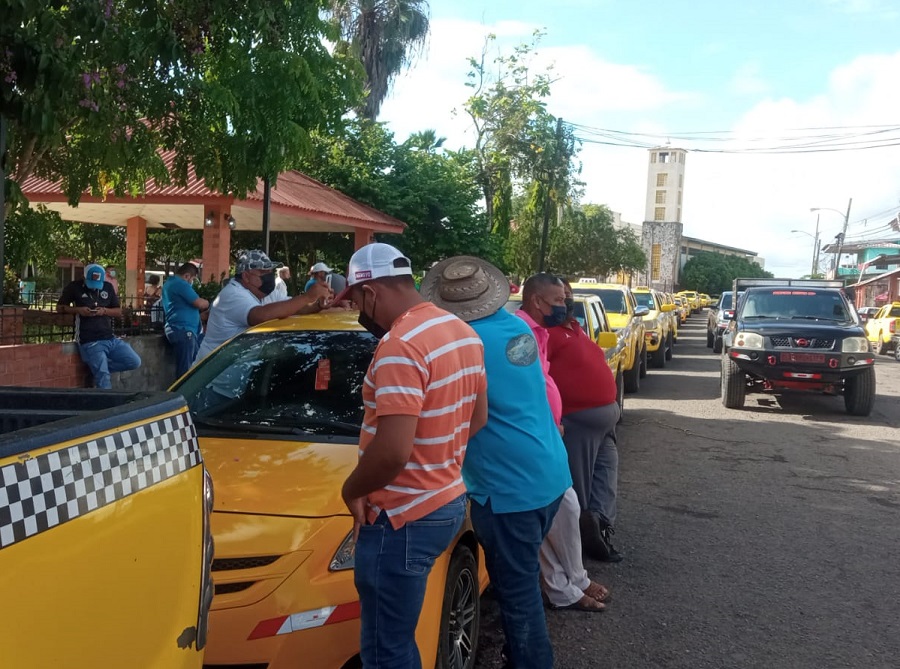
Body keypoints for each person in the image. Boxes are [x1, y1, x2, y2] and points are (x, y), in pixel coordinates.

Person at [335, 243, 488, 668]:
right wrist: (438, 456)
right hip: (446, 500)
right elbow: (477, 419)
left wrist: (352, 490)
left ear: (372, 292)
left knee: (386, 652)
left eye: (357, 301)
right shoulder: (462, 332)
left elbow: (393, 452)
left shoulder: (400, 346)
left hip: (401, 516)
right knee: (399, 640)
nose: (360, 312)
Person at [419, 258, 576, 669]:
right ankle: (518, 653)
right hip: (548, 473)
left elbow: (457, 416)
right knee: (521, 583)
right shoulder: (516, 327)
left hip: (509, 488)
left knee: (518, 592)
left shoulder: (462, 342)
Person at [517, 273, 610, 615]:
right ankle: (566, 585)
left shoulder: (541, 331)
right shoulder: (520, 333)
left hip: (548, 432)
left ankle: (572, 581)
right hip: (532, 436)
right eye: (558, 300)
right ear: (537, 301)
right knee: (558, 509)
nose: (564, 305)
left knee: (561, 509)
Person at [548, 279, 624, 562]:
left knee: (606, 475)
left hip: (605, 420)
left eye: (568, 296)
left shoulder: (577, 329)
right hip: (576, 420)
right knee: (577, 487)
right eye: (559, 297)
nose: (566, 301)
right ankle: (573, 548)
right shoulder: (545, 334)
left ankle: (599, 526)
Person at [193, 250, 331, 365]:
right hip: (211, 379)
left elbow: (293, 307)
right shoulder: (232, 294)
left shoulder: (262, 292)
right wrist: (307, 297)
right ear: (246, 276)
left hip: (234, 375)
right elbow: (260, 316)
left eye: (270, 271)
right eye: (264, 273)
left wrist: (318, 304)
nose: (269, 276)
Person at [56, 263, 141, 389]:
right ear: (84, 277)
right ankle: (107, 401)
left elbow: (118, 311)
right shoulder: (74, 287)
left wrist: (104, 311)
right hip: (90, 340)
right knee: (103, 378)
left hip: (109, 337)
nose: (94, 288)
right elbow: (60, 307)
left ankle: (98, 369)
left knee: (134, 361)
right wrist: (78, 310)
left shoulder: (107, 287)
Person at [162, 263, 209, 378]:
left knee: (195, 367)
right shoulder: (181, 284)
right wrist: (208, 302)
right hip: (183, 330)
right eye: (193, 279)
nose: (192, 282)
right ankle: (182, 394)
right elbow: (199, 303)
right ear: (187, 276)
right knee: (186, 372)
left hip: (184, 330)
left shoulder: (171, 283)